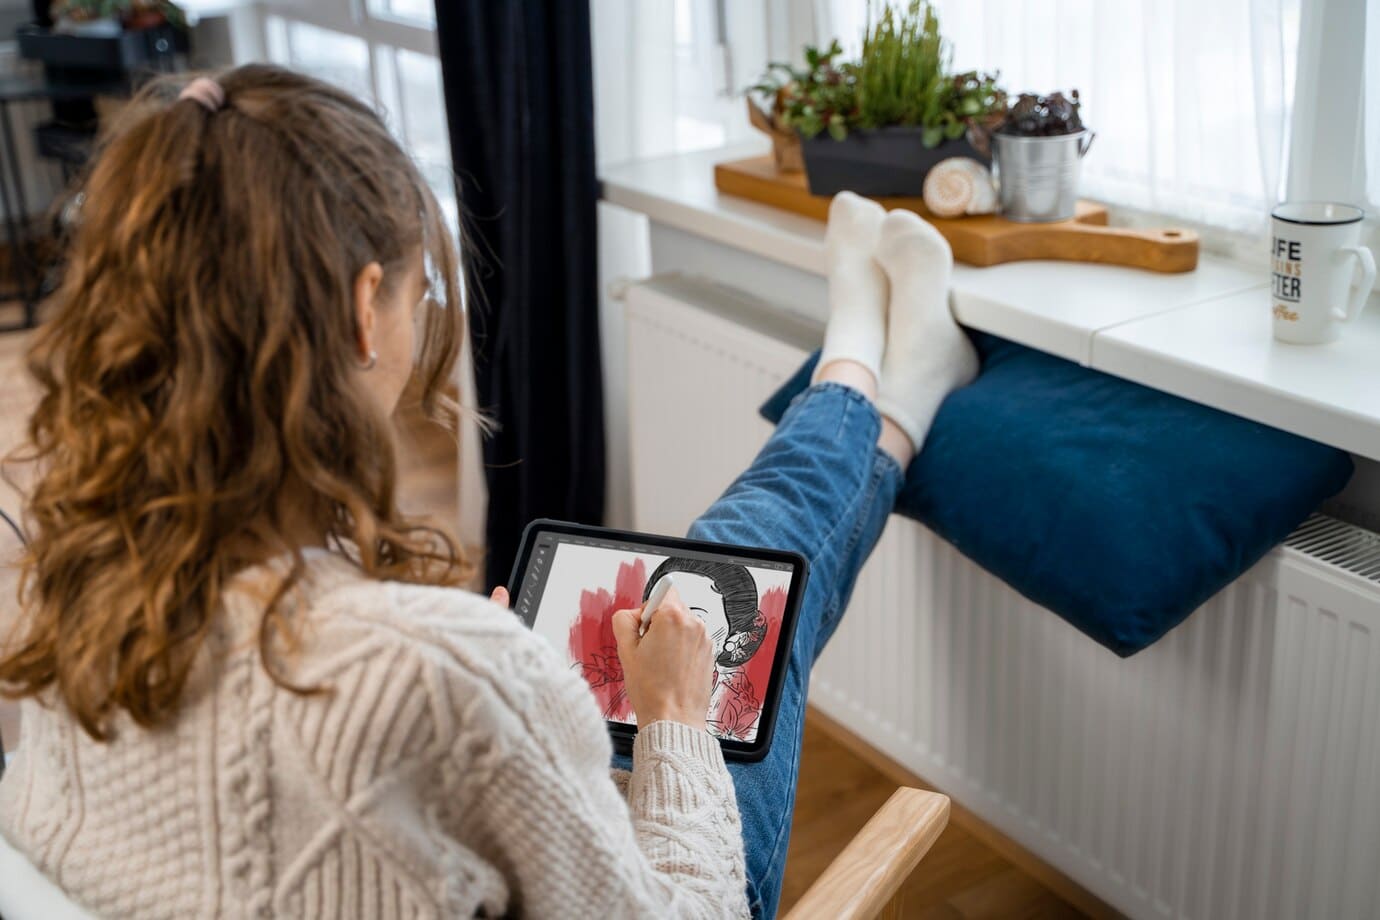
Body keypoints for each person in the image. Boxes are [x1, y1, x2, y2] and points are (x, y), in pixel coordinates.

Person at [0, 64, 976, 919]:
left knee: (703, 582)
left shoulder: (61, 582)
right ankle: (872, 381)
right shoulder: (441, 673)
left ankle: (874, 385)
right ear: (359, 312)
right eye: (421, 291)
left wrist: (501, 700)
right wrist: (668, 711)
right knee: (731, 586)